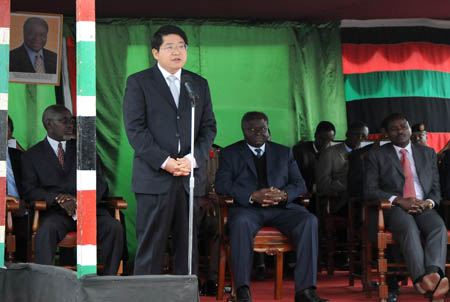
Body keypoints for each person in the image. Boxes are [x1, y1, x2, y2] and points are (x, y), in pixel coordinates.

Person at [122, 25, 216, 276]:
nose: (177, 52)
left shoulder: (198, 84)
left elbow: (208, 128)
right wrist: (165, 161)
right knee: (151, 247)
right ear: (155, 52)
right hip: (154, 178)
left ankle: (185, 295)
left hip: (189, 178)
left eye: (181, 46)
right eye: (169, 47)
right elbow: (135, 130)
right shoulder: (139, 82)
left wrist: (192, 159)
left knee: (188, 248)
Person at [215, 112, 327, 302]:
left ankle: (305, 291)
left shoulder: (284, 152)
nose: (258, 133)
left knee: (309, 220)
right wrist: (252, 195)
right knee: (240, 223)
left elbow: (300, 184)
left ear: (268, 129)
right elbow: (222, 184)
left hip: (282, 209)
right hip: (248, 210)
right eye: (252, 129)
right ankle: (242, 290)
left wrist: (283, 195)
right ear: (243, 130)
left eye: (262, 129)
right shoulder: (230, 153)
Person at [21, 105, 123, 275]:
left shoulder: (85, 149)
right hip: (56, 213)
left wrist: (80, 201)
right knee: (46, 231)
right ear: (48, 124)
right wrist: (57, 199)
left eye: (71, 121)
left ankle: (108, 280)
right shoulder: (32, 155)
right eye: (64, 121)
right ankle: (45, 282)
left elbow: (100, 183)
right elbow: (29, 191)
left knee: (114, 228)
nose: (70, 125)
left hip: (88, 211)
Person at [364, 113, 448, 302]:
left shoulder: (427, 153)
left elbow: (435, 189)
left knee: (438, 227)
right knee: (408, 228)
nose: (400, 130)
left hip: (423, 205)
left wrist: (428, 203)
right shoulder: (376, 155)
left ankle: (432, 274)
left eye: (404, 126)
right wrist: (399, 200)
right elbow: (369, 190)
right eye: (394, 128)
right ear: (385, 133)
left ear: (410, 128)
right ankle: (420, 278)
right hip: (394, 208)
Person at [316, 121, 369, 214]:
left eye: (363, 136)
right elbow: (322, 185)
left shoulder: (368, 154)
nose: (360, 138)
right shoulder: (329, 153)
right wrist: (349, 187)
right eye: (356, 134)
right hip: (341, 200)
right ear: (347, 134)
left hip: (366, 198)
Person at [293, 121, 335, 193]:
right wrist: (314, 187)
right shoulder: (300, 151)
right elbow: (295, 179)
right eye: (323, 139)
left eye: (329, 140)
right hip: (308, 194)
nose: (326, 143)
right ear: (315, 135)